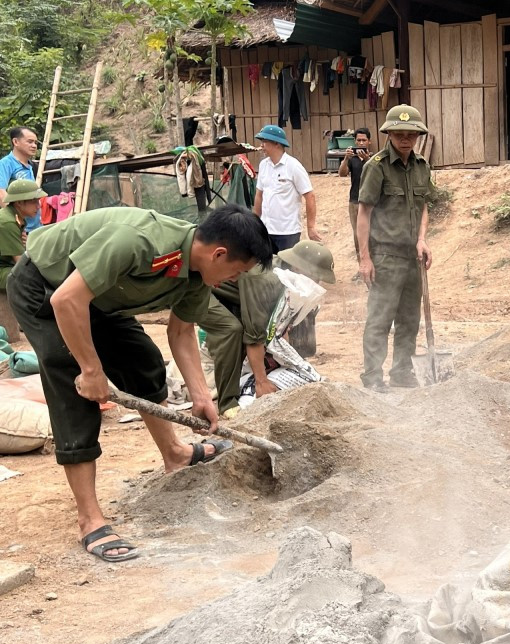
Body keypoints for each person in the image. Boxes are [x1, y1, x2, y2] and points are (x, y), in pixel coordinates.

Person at [6, 205, 274, 563]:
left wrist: (200, 394)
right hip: (44, 288)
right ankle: (89, 519)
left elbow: (180, 332)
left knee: (144, 360)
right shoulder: (138, 241)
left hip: (96, 298)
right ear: (219, 253)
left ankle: (175, 454)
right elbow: (66, 300)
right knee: (73, 383)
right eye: (237, 271)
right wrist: (90, 369)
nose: (234, 279)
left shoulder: (198, 274)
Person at [200, 239, 336, 415]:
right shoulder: (264, 278)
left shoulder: (287, 278)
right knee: (231, 330)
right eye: (316, 277)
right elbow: (254, 336)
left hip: (236, 296)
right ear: (298, 269)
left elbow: (277, 327)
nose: (317, 283)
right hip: (204, 291)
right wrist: (261, 382)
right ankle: (227, 404)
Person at [357, 104, 436, 393]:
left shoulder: (421, 167)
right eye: (399, 133)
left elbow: (424, 205)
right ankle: (373, 377)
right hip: (386, 256)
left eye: (411, 134)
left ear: (417, 136)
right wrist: (365, 259)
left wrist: (422, 239)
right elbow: (363, 212)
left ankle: (402, 372)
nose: (405, 139)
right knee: (380, 319)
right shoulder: (376, 167)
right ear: (389, 134)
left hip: (413, 257)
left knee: (409, 320)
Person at [253, 124, 321, 251]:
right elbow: (259, 194)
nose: (261, 146)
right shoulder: (263, 165)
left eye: (264, 142)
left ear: (277, 144)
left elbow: (309, 196)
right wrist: (255, 222)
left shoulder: (293, 166)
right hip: (266, 230)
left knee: (287, 269)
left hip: (288, 232)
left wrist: (310, 227)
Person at [338, 127, 373, 272]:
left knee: (372, 235)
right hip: (354, 202)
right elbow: (342, 174)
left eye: (364, 140)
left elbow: (377, 172)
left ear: (369, 142)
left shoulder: (374, 159)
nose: (361, 143)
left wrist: (367, 160)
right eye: (358, 140)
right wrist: (346, 158)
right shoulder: (351, 159)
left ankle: (374, 266)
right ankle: (362, 268)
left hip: (370, 202)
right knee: (357, 236)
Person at [0, 179, 43, 292]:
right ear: (19, 202)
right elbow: (21, 264)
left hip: (5, 264)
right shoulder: (8, 222)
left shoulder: (15, 217)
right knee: (29, 278)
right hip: (2, 268)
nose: (38, 206)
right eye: (34, 201)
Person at [0, 127, 41, 233]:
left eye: (35, 143)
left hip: (35, 228)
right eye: (30, 142)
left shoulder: (31, 166)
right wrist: (18, 225)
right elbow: (1, 193)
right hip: (20, 230)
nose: (34, 146)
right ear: (15, 142)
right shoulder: (6, 164)